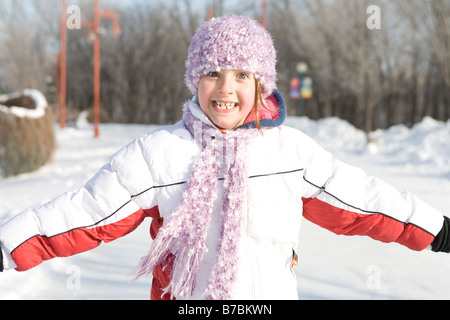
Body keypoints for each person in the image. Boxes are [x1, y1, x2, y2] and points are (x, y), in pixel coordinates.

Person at [0, 15, 448, 300]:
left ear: (262, 84)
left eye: (241, 75)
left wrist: (437, 230)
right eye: (212, 73)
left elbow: (363, 201)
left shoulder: (290, 152)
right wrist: (7, 245)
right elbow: (85, 213)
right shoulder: (160, 154)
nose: (226, 88)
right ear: (195, 81)